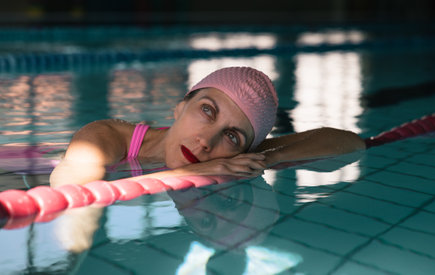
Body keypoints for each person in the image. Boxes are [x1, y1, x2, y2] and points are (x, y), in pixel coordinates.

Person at [50, 67, 365, 187]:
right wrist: (193, 173)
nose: (205, 142)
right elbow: (71, 190)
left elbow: (351, 142)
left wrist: (266, 159)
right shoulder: (103, 138)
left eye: (232, 135)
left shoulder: (233, 158)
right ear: (180, 106)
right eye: (207, 111)